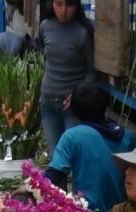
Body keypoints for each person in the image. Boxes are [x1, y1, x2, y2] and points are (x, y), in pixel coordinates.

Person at [45, 82, 136, 212]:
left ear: (74, 111)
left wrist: (28, 188)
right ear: (105, 107)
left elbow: (54, 175)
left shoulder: (73, 136)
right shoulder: (128, 137)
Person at [39, 0, 95, 151]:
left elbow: (91, 72)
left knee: (71, 154)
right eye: (59, 3)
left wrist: (78, 94)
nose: (64, 10)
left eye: (69, 5)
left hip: (72, 107)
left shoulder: (82, 33)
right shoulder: (45, 27)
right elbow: (45, 60)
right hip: (47, 103)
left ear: (76, 6)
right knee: (55, 158)